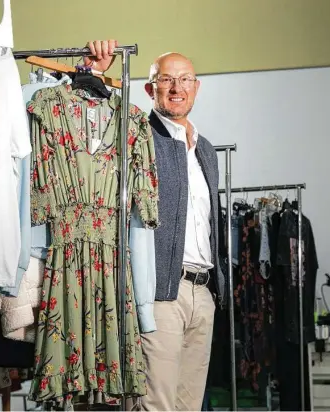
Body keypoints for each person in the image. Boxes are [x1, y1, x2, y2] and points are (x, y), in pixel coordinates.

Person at [84, 40, 225, 411]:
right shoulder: (136, 135)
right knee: (154, 404)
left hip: (203, 291)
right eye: (166, 80)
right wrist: (93, 72)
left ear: (196, 87)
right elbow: (93, 133)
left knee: (188, 404)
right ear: (150, 89)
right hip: (162, 291)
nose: (177, 88)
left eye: (185, 80)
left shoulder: (205, 149)